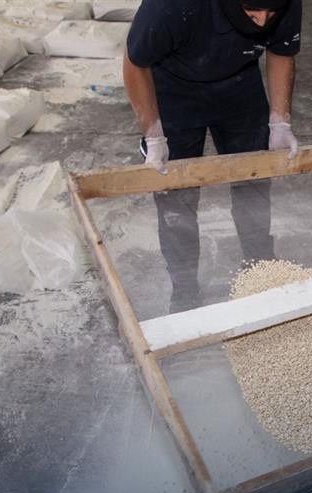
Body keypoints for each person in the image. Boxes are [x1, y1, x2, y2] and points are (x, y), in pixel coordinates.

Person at [124, 0, 302, 312]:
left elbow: (281, 51)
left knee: (253, 181)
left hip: (240, 84)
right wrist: (153, 135)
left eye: (271, 14)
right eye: (252, 12)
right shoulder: (171, 6)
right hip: (174, 88)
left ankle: (260, 269)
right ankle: (184, 287)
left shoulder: (285, 2)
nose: (262, 22)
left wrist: (280, 121)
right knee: (175, 195)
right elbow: (135, 63)